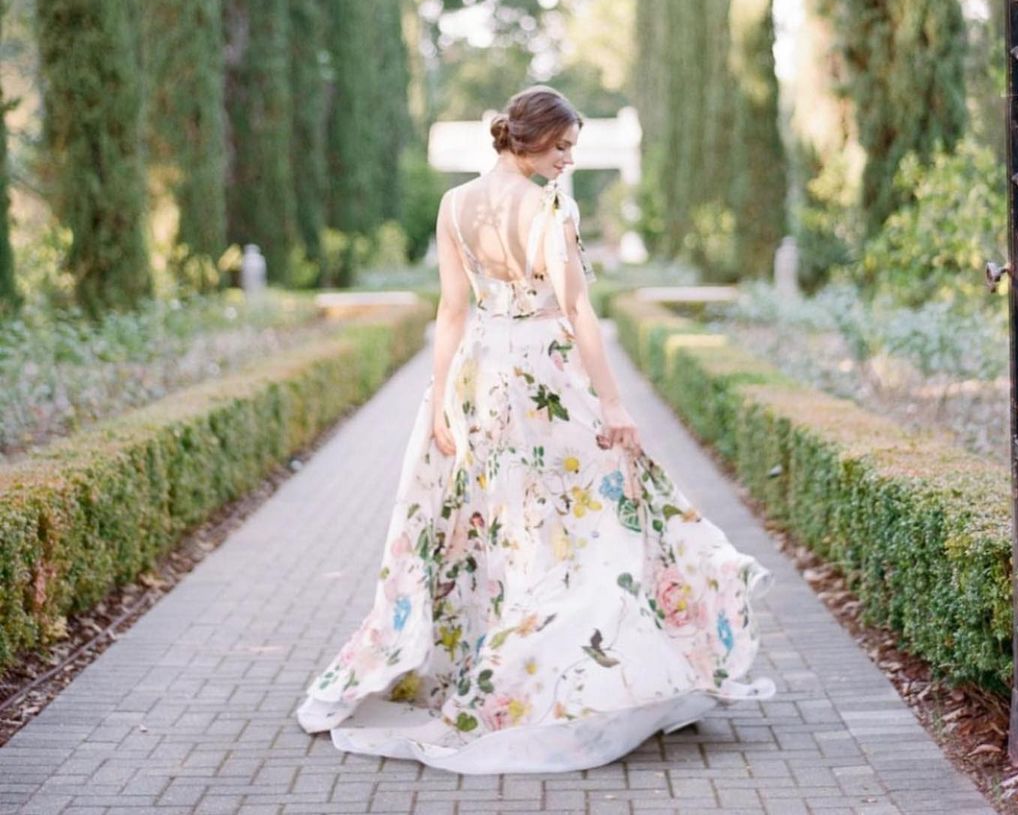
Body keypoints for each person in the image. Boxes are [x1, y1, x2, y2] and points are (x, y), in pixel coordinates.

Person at [296, 85, 775, 773]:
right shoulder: (552, 207)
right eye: (562, 147)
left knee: (503, 522)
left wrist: (440, 399)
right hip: (547, 373)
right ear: (530, 140)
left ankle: (523, 657)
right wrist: (614, 403)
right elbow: (577, 312)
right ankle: (578, 673)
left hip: (482, 375)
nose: (568, 161)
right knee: (591, 514)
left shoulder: (454, 205)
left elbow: (453, 311)